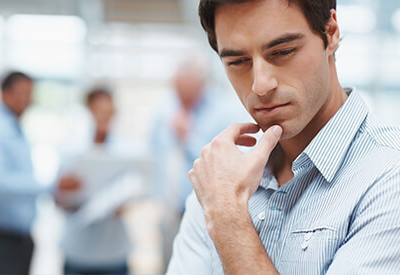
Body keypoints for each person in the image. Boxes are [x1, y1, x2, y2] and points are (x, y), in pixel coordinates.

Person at [167, 0, 400, 274]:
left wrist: (228, 218)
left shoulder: (388, 175)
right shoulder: (220, 183)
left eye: (283, 51)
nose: (260, 85)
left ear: (332, 32)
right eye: (238, 61)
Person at [150, 56, 248, 266]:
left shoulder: (223, 112)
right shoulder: (164, 111)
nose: (181, 99)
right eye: (177, 92)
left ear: (201, 85)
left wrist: (187, 138)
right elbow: (156, 155)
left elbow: (224, 163)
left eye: (187, 93)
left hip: (206, 212)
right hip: (169, 211)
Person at [56, 88, 143, 275]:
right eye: (98, 111)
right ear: (88, 111)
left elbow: (136, 191)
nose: (103, 117)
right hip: (78, 252)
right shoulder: (71, 148)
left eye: (108, 112)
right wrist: (65, 193)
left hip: (114, 254)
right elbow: (57, 198)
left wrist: (122, 204)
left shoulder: (126, 149)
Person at [0, 71, 48, 274]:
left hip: (16, 240)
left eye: (29, 94)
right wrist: (48, 187)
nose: (26, 100)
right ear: (4, 94)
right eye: (21, 93)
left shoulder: (14, 127)